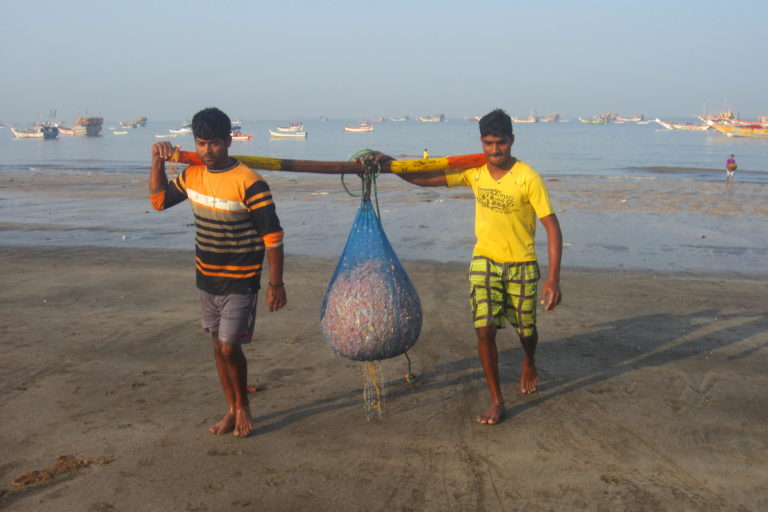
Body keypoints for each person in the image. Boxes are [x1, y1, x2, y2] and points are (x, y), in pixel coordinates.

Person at [380, 108, 562, 425]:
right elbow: (424, 180)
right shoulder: (474, 171)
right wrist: (387, 163)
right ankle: (496, 399)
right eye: (489, 143)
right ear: (481, 142)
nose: (495, 150)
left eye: (501, 143)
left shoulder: (528, 177)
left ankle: (529, 358)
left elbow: (552, 228)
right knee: (484, 329)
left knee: (527, 330)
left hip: (521, 264)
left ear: (512, 140)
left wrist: (553, 280)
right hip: (485, 260)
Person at [149, 107, 286, 437]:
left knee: (228, 347)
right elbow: (157, 201)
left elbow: (273, 237)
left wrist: (275, 284)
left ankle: (243, 407)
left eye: (213, 144)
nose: (206, 151)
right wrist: (157, 160)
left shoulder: (250, 183)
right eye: (200, 144)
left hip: (240, 281)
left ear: (228, 141)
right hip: (205, 279)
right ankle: (230, 408)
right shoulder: (192, 175)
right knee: (217, 346)